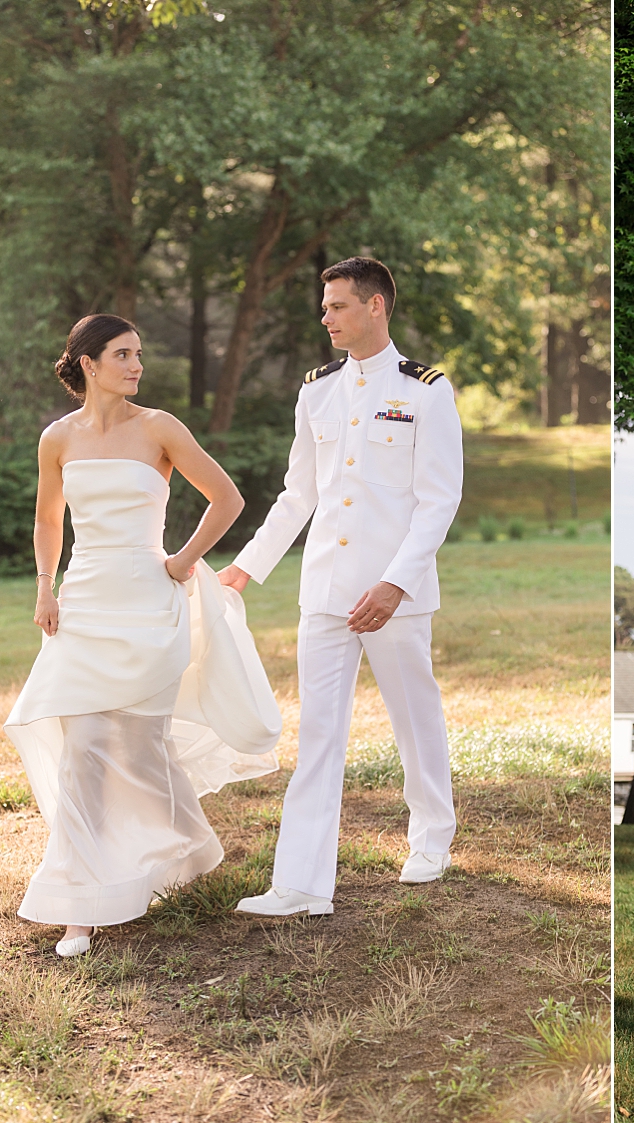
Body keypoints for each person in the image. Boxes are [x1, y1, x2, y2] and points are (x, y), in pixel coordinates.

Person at [5, 314, 282, 958]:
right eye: (123, 355)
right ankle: (81, 902)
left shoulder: (158, 428)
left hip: (148, 601)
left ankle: (187, 848)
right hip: (85, 604)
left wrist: (184, 561)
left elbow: (228, 498)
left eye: (138, 355)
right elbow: (49, 518)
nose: (136, 366)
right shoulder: (57, 439)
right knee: (83, 746)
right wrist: (45, 585)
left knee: (139, 744)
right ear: (86, 364)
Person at [221, 256, 463, 918]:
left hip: (396, 596)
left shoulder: (425, 390)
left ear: (375, 306)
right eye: (324, 306)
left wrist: (394, 584)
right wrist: (248, 564)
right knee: (319, 735)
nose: (324, 316)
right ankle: (300, 884)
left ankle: (431, 841)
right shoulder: (316, 392)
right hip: (325, 590)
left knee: (415, 719)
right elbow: (299, 494)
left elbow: (438, 501)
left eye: (336, 306)